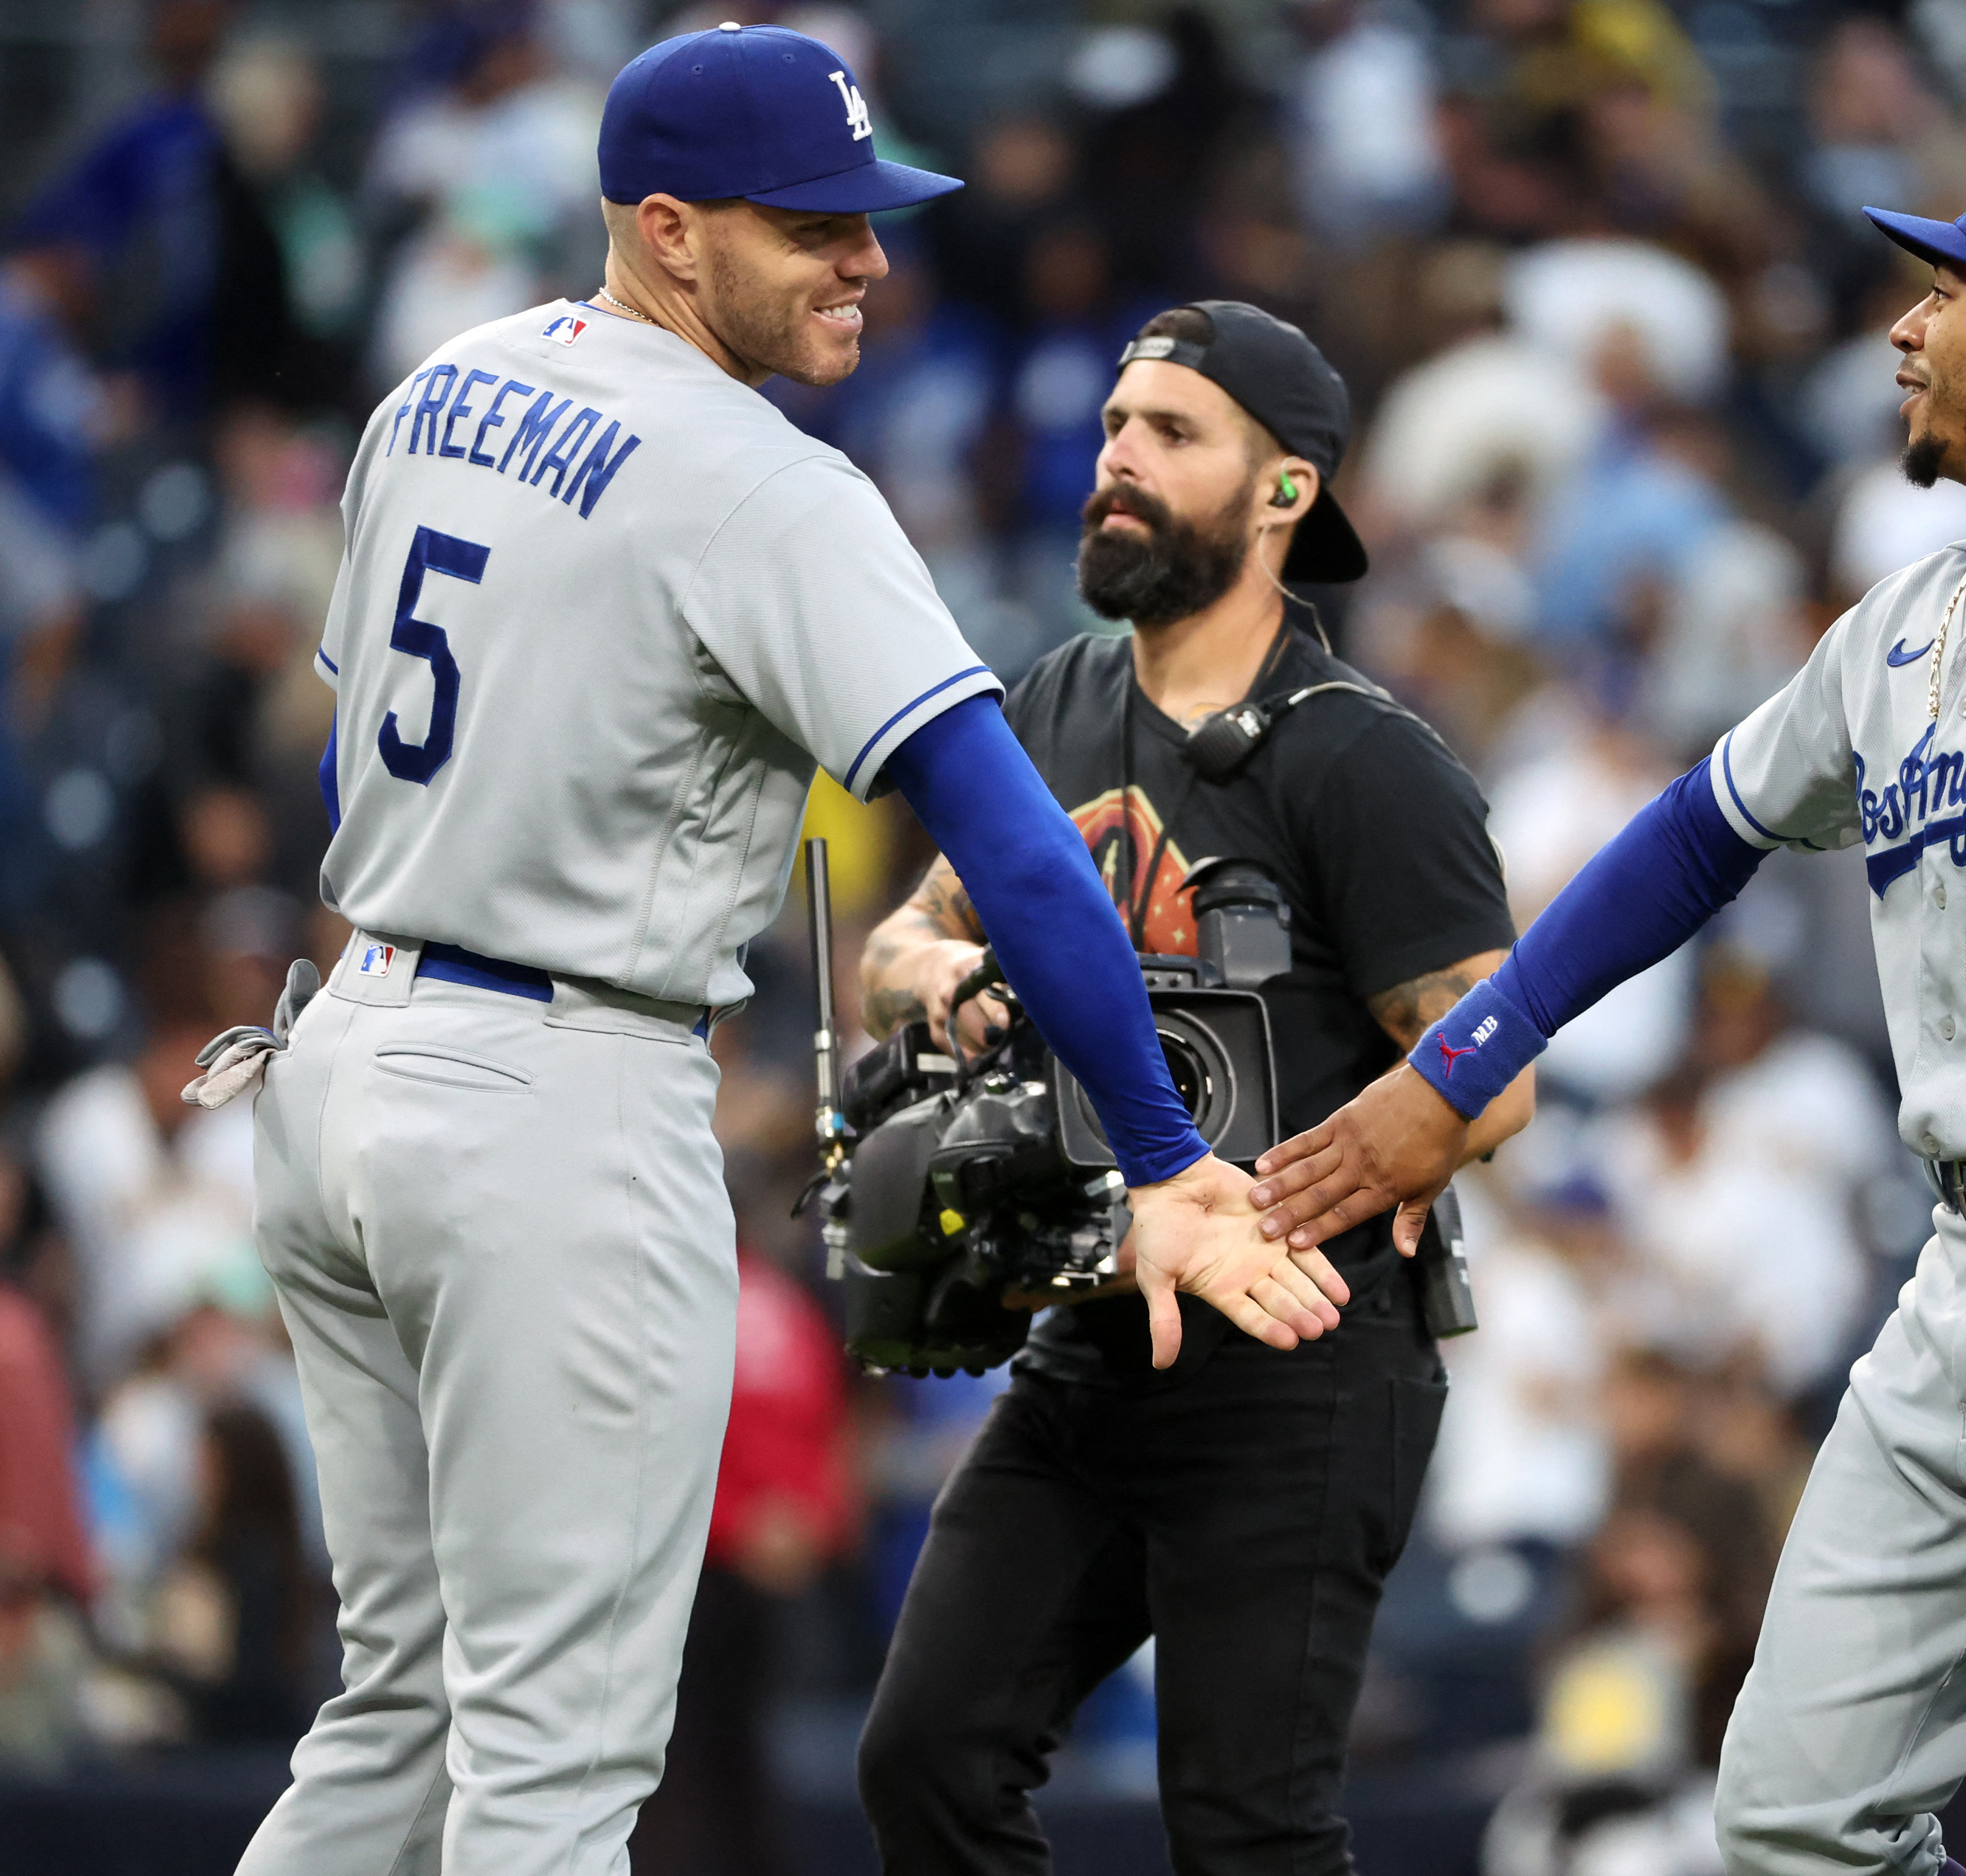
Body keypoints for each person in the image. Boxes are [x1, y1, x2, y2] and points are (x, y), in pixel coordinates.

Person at [230, 29, 1344, 1874]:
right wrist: (1158, 1153)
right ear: (668, 230)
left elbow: (349, 749)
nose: (866, 258)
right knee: (552, 1769)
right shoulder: (764, 483)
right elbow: (1020, 859)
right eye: (812, 223)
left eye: (869, 215)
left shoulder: (435, 387)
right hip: (549, 1100)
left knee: (397, 1724)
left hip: (348, 1054)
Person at [1251, 153, 1966, 1875]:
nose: (1906, 329)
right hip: (1959, 1266)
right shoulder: (1901, 623)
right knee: (1783, 1818)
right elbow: (1694, 837)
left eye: (1951, 296)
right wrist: (1462, 1065)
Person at [848, 299, 1532, 1874]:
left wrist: (1315, 1185)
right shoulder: (1044, 707)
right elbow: (901, 937)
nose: (1119, 460)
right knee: (928, 1758)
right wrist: (945, 985)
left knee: (1248, 1832)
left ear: (1286, 492)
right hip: (1089, 1334)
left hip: (1299, 1357)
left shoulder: (1366, 761)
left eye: (1172, 434)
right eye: (1113, 427)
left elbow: (1495, 1086)